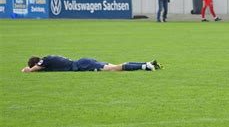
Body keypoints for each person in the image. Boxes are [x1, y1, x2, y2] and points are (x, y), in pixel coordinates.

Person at [21, 55, 162, 72]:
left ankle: (146, 66)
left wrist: (26, 69)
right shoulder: (48, 61)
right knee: (115, 68)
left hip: (83, 65)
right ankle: (147, 64)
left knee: (114, 68)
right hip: (84, 62)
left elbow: (29, 70)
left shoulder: (45, 60)